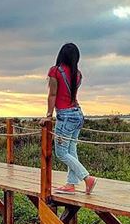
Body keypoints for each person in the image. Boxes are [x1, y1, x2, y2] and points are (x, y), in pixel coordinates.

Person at [40, 43, 96, 194]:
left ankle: (87, 178)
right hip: (78, 114)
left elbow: (53, 94)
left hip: (65, 116)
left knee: (61, 152)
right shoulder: (78, 74)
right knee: (71, 149)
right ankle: (71, 184)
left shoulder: (55, 71)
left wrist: (48, 116)